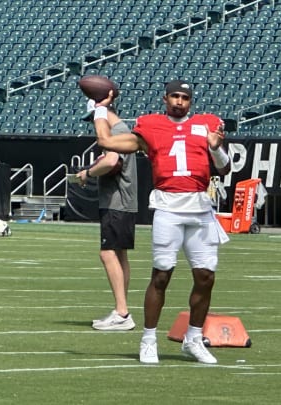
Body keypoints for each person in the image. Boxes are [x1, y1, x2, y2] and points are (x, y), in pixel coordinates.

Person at [90, 80, 231, 364]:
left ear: (191, 101)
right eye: (175, 96)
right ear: (165, 98)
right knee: (162, 274)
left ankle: (193, 339)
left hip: (200, 208)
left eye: (185, 97)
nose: (180, 101)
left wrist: (215, 148)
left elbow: (225, 167)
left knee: (206, 277)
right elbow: (106, 141)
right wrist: (99, 110)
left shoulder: (207, 124)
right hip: (168, 208)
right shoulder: (150, 126)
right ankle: (149, 339)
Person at [77, 98, 138, 331]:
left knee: (108, 253)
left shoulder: (117, 131)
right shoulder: (123, 131)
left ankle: (122, 312)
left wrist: (88, 173)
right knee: (120, 255)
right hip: (123, 201)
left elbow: (112, 161)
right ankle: (121, 309)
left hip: (117, 202)